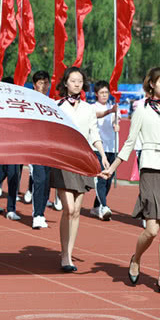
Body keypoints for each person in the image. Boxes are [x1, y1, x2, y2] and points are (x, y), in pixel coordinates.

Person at [100, 67, 160, 296]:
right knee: (152, 230)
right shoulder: (142, 110)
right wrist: (112, 168)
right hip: (150, 169)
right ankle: (136, 259)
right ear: (152, 85)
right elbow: (130, 142)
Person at [50, 67, 109, 272]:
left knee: (76, 213)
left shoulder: (87, 109)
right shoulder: (55, 106)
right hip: (64, 160)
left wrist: (102, 155)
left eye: (80, 81)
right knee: (69, 208)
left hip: (83, 160)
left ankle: (69, 253)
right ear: (65, 83)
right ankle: (64, 254)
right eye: (73, 80)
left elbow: (94, 134)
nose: (77, 84)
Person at [91, 81, 121, 220]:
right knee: (102, 178)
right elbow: (98, 115)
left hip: (112, 147)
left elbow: (116, 121)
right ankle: (104, 206)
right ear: (96, 94)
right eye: (101, 93)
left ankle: (96, 206)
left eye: (106, 92)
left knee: (109, 180)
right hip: (98, 148)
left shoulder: (114, 107)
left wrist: (116, 125)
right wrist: (110, 111)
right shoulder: (92, 107)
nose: (104, 95)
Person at [29, 70, 52, 229]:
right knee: (40, 179)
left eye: (46, 83)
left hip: (50, 149)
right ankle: (37, 214)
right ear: (34, 85)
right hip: (34, 148)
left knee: (47, 182)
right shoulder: (27, 101)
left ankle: (41, 212)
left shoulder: (52, 102)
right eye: (40, 83)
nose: (44, 86)